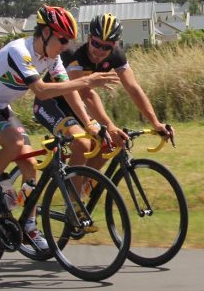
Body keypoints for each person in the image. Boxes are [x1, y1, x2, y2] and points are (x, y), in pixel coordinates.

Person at [0, 5, 120, 250]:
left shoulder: (52, 57)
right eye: (62, 39)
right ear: (45, 32)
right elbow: (42, 91)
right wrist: (89, 79)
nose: (66, 46)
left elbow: (70, 93)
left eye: (68, 41)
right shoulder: (18, 51)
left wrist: (89, 124)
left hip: (0, 106)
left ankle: (29, 228)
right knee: (13, 142)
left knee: (31, 167)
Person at [56, 12, 174, 171]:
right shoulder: (74, 54)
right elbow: (84, 93)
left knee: (107, 144)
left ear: (115, 44)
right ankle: (71, 194)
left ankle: (86, 187)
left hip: (79, 105)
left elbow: (133, 88)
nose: (100, 51)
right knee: (84, 145)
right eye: (96, 44)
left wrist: (155, 122)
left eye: (106, 47)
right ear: (89, 38)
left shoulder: (116, 56)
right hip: (54, 103)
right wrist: (110, 127)